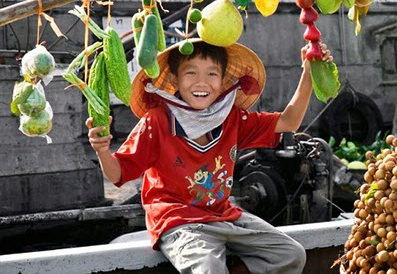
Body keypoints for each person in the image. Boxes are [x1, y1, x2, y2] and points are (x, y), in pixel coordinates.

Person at [87, 38, 333, 273]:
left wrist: (309, 72)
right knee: (208, 268)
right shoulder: (158, 121)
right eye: (191, 73)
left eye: (211, 74)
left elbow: (289, 121)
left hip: (224, 214)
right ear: (174, 79)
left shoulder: (231, 117)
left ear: (223, 81)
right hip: (178, 222)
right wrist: (102, 150)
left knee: (291, 254)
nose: (201, 82)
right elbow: (117, 173)